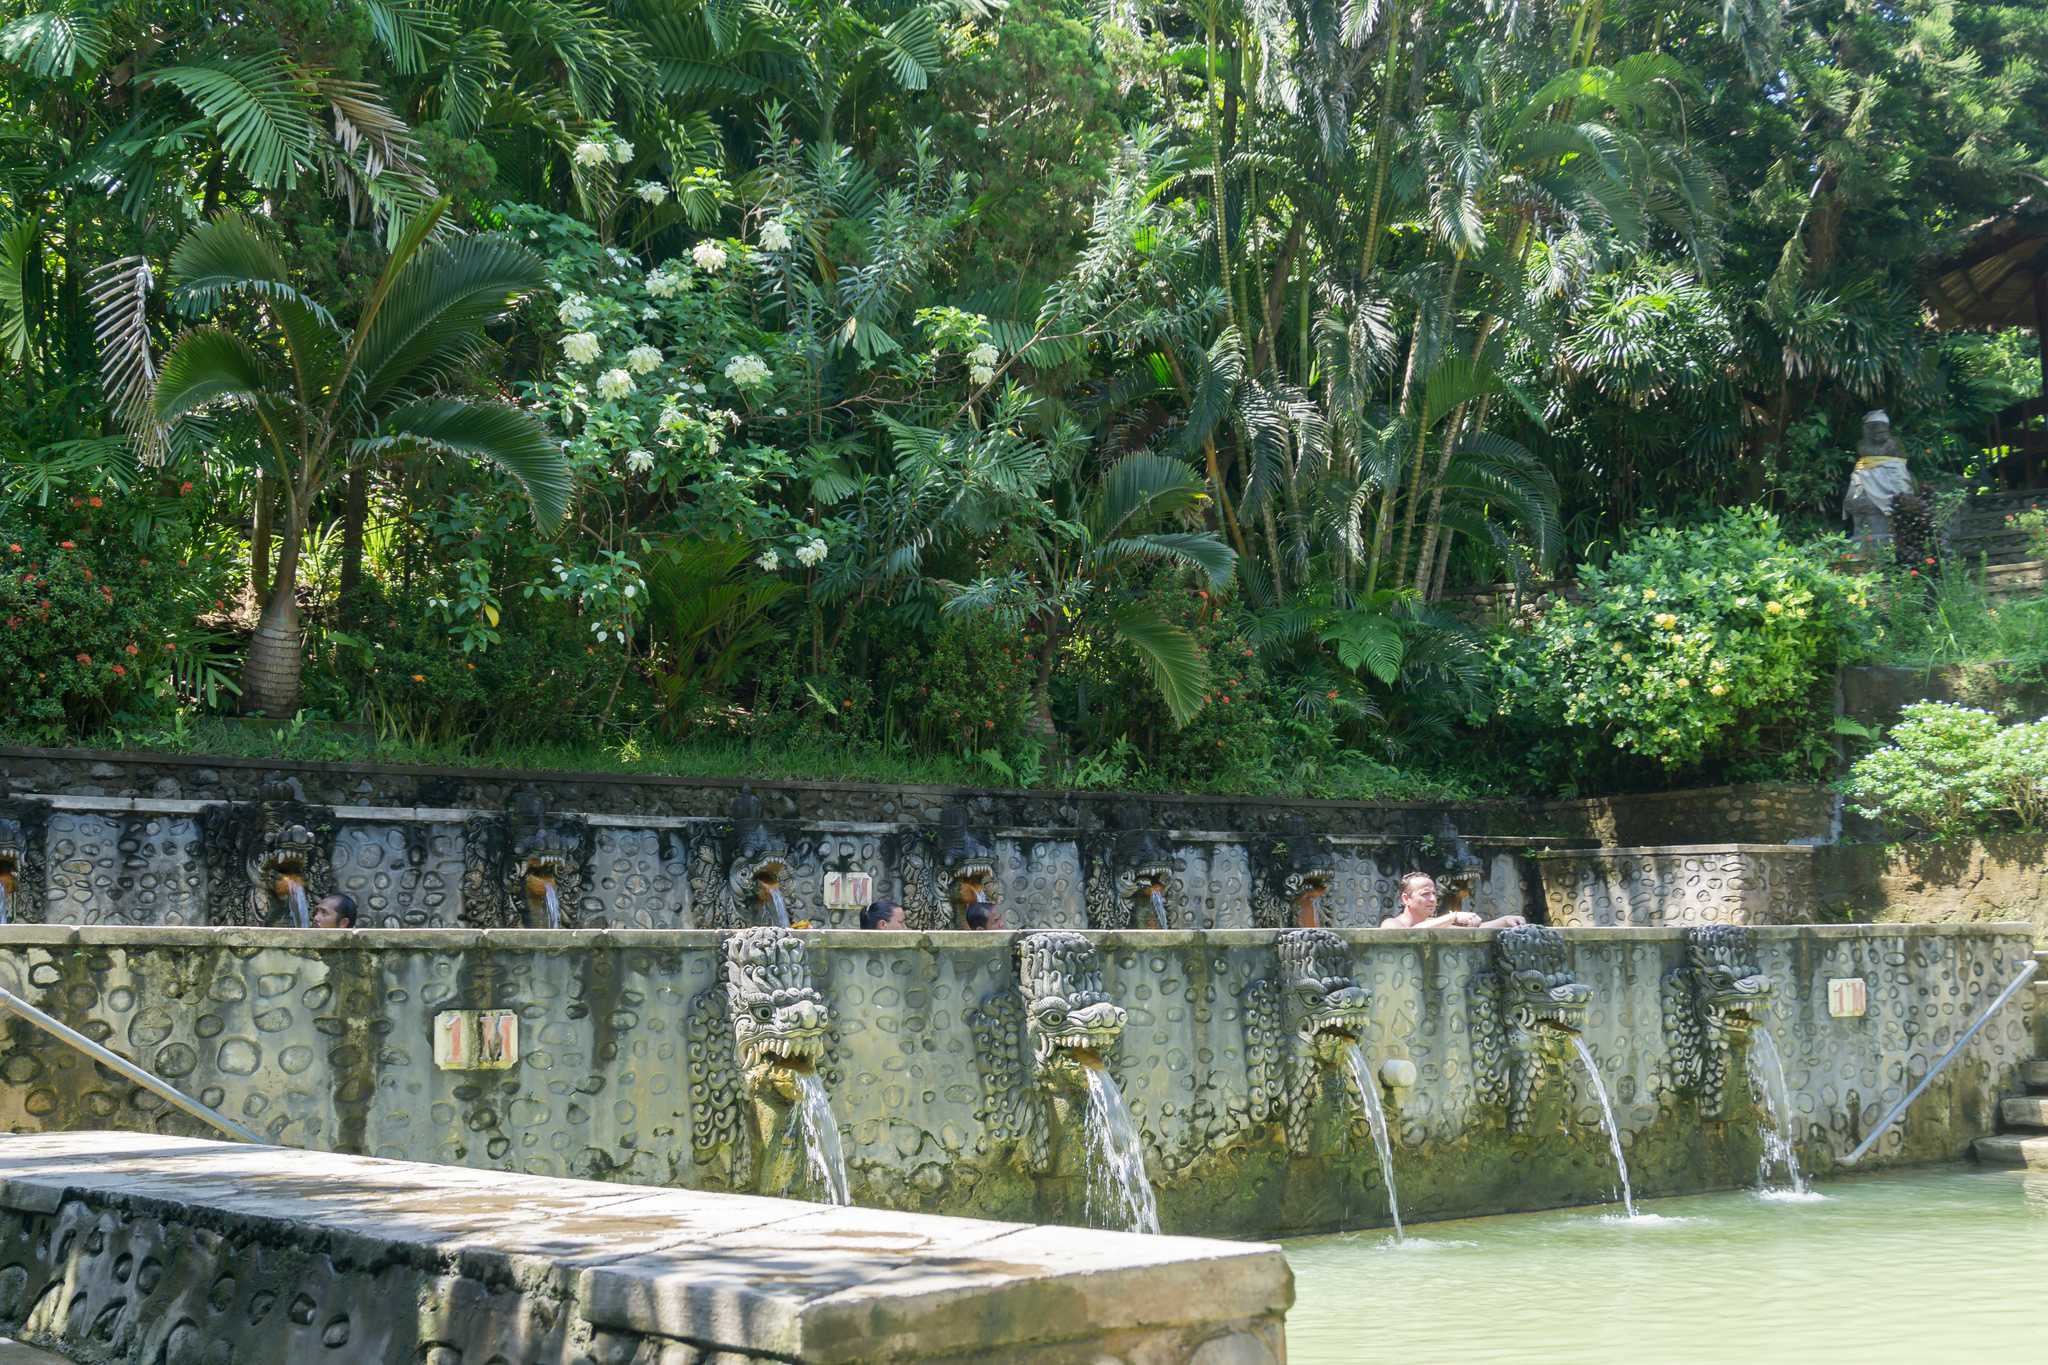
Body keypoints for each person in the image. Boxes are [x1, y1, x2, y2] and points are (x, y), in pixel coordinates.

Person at [1378, 872, 1525, 930]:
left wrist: (1506, 921)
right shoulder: (1391, 923)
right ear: (1406, 898)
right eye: (1425, 894)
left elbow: (1476, 930)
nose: (1433, 899)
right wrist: (1453, 916)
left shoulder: (1437, 925)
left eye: (1434, 893)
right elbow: (1409, 935)